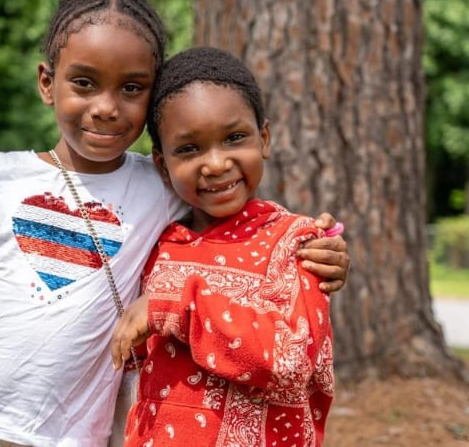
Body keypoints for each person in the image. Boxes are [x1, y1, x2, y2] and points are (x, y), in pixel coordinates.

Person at [0, 0, 349, 447]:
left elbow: (236, 212)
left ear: (151, 101)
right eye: (84, 83)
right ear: (47, 83)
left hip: (58, 437)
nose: (105, 108)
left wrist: (318, 247)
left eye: (131, 88)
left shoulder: (159, 185)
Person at [110, 47, 337, 446]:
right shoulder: (161, 246)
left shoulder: (298, 243)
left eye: (234, 138)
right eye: (189, 149)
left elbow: (290, 363)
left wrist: (176, 304)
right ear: (162, 166)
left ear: (263, 138)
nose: (215, 164)